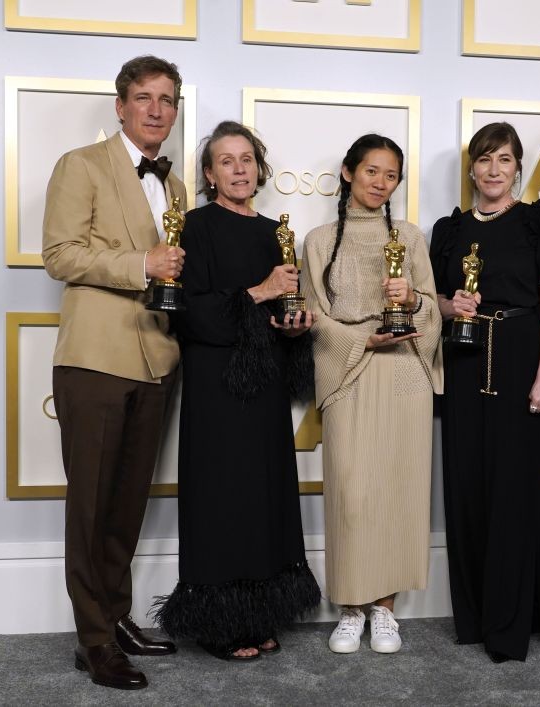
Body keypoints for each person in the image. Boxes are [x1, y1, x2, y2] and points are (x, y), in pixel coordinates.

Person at [42, 55, 187, 691]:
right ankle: (93, 639)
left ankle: (117, 616)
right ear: (121, 106)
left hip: (157, 359)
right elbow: (59, 254)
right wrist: (141, 265)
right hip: (95, 359)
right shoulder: (81, 165)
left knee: (127, 504)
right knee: (91, 505)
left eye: (167, 99)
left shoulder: (176, 186)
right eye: (144, 98)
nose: (156, 109)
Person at [151, 121, 321, 660]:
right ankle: (219, 623)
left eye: (247, 159)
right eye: (226, 161)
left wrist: (295, 327)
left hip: (265, 383)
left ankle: (261, 613)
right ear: (209, 174)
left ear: (259, 168)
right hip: (215, 385)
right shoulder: (193, 228)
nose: (239, 169)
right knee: (221, 496)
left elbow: (281, 312)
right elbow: (189, 312)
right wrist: (261, 291)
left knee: (265, 495)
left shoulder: (277, 232)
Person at [429, 122, 540, 662]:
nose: (494, 170)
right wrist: (452, 306)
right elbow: (435, 302)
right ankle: (474, 617)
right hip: (463, 359)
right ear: (472, 169)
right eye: (485, 159)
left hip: (518, 359)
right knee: (467, 486)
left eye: (504, 159)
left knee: (514, 490)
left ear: (518, 168)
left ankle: (512, 624)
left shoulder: (539, 222)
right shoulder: (449, 230)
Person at [301, 134, 442, 655]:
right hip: (349, 369)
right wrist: (363, 338)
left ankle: (385, 609)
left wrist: (414, 300)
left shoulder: (411, 236)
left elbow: (431, 308)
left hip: (405, 372)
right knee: (352, 494)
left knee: (399, 490)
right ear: (348, 172)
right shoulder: (318, 240)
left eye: (391, 175)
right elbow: (313, 315)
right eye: (371, 171)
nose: (381, 183)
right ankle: (351, 607)